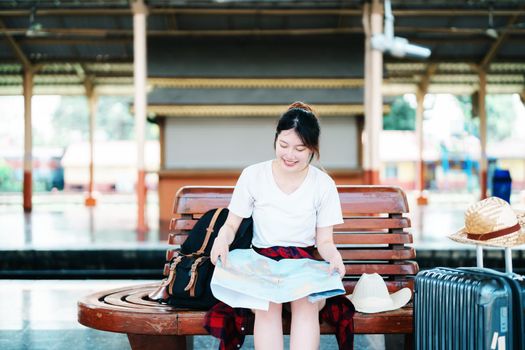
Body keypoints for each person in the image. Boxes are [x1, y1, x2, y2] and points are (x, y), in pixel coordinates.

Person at [209, 101, 346, 350]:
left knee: (306, 305)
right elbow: (231, 225)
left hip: (303, 263)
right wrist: (221, 240)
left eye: (300, 148)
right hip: (262, 262)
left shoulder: (323, 184)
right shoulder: (253, 175)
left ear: (312, 149)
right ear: (275, 140)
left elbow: (324, 241)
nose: (290, 155)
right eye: (283, 145)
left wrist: (334, 256)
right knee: (267, 305)